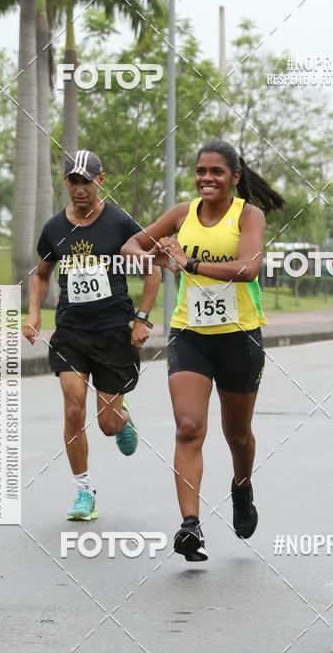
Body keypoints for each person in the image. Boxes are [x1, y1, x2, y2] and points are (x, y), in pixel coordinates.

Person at [122, 140, 285, 562]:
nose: (206, 178)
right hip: (190, 334)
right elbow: (130, 246)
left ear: (234, 177)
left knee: (237, 435)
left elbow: (248, 268)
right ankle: (190, 526)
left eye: (216, 172)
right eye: (200, 171)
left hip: (240, 337)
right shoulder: (181, 214)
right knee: (189, 427)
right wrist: (152, 255)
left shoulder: (248, 215)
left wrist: (190, 265)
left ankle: (242, 486)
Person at [22, 150, 161, 521]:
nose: (80, 189)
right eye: (73, 181)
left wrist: (142, 319)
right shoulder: (54, 228)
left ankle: (122, 420)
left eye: (87, 181)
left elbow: (154, 271)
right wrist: (34, 311)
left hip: (114, 331)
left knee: (107, 424)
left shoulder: (119, 223)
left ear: (101, 181)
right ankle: (85, 493)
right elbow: (40, 273)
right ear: (65, 182)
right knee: (72, 408)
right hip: (72, 331)